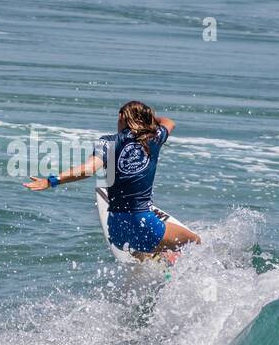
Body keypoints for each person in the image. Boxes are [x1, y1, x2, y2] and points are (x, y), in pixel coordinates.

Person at [23, 100, 201, 258]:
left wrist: (51, 181)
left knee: (141, 247)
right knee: (195, 240)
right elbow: (169, 122)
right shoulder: (154, 138)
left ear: (123, 117)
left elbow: (88, 169)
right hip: (144, 222)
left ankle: (150, 257)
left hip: (116, 228)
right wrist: (148, 119)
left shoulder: (106, 142)